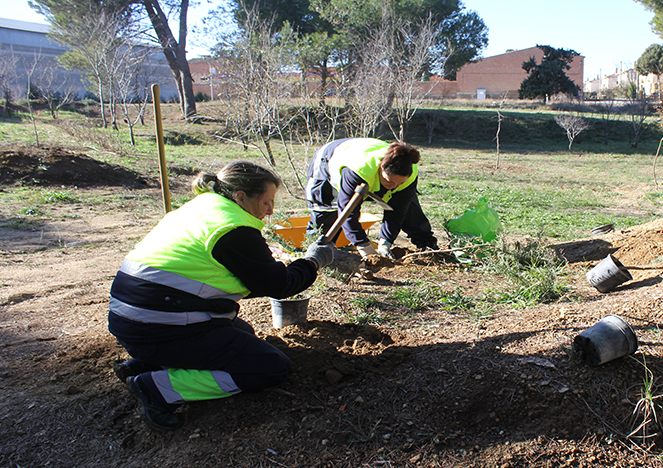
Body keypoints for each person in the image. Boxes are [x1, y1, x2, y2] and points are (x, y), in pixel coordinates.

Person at [108, 161, 336, 430]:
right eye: (266, 202)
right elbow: (278, 285)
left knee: (241, 331)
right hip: (157, 323)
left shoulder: (204, 207)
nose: (270, 210)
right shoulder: (233, 229)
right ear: (241, 196)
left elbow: (234, 278)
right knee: (270, 367)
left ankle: (143, 363)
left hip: (134, 316)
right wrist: (312, 262)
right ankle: (158, 387)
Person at [305, 138, 438, 258]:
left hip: (368, 156)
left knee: (407, 205)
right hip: (332, 156)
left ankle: (428, 246)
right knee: (326, 213)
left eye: (400, 183)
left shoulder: (409, 170)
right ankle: (317, 255)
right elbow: (348, 211)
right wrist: (363, 245)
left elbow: (397, 212)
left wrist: (385, 243)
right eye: (389, 182)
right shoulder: (359, 170)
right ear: (381, 168)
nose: (394, 187)